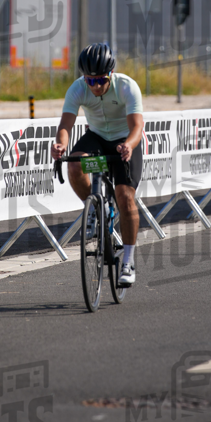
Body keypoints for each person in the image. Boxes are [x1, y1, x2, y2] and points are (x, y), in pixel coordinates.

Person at [51, 43, 143, 287]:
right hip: (98, 137)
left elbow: (137, 127)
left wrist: (130, 145)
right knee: (75, 165)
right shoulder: (78, 88)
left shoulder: (127, 86)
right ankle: (94, 209)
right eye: (89, 80)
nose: (95, 86)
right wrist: (60, 145)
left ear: (110, 74)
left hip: (125, 140)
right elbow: (65, 126)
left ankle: (128, 261)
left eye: (100, 80)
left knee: (125, 198)